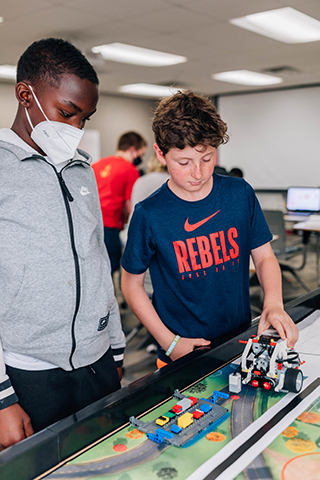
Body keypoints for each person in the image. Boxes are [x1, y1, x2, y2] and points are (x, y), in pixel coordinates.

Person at [0, 38, 125, 448]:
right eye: (66, 113)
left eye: (84, 119)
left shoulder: (81, 170)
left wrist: (117, 350)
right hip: (29, 372)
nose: (75, 130)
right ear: (26, 95)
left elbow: (96, 261)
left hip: (98, 361)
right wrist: (3, 398)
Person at [121, 90, 299, 369]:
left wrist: (274, 302)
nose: (198, 172)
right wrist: (169, 343)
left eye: (207, 158)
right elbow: (131, 285)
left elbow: (264, 257)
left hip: (239, 341)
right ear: (161, 154)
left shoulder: (239, 194)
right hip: (180, 350)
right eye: (184, 162)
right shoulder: (149, 213)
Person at [92, 132, 147, 275]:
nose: (140, 158)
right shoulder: (130, 170)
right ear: (133, 150)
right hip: (110, 226)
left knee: (96, 268)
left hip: (91, 224)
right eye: (141, 154)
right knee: (111, 266)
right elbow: (131, 206)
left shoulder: (97, 165)